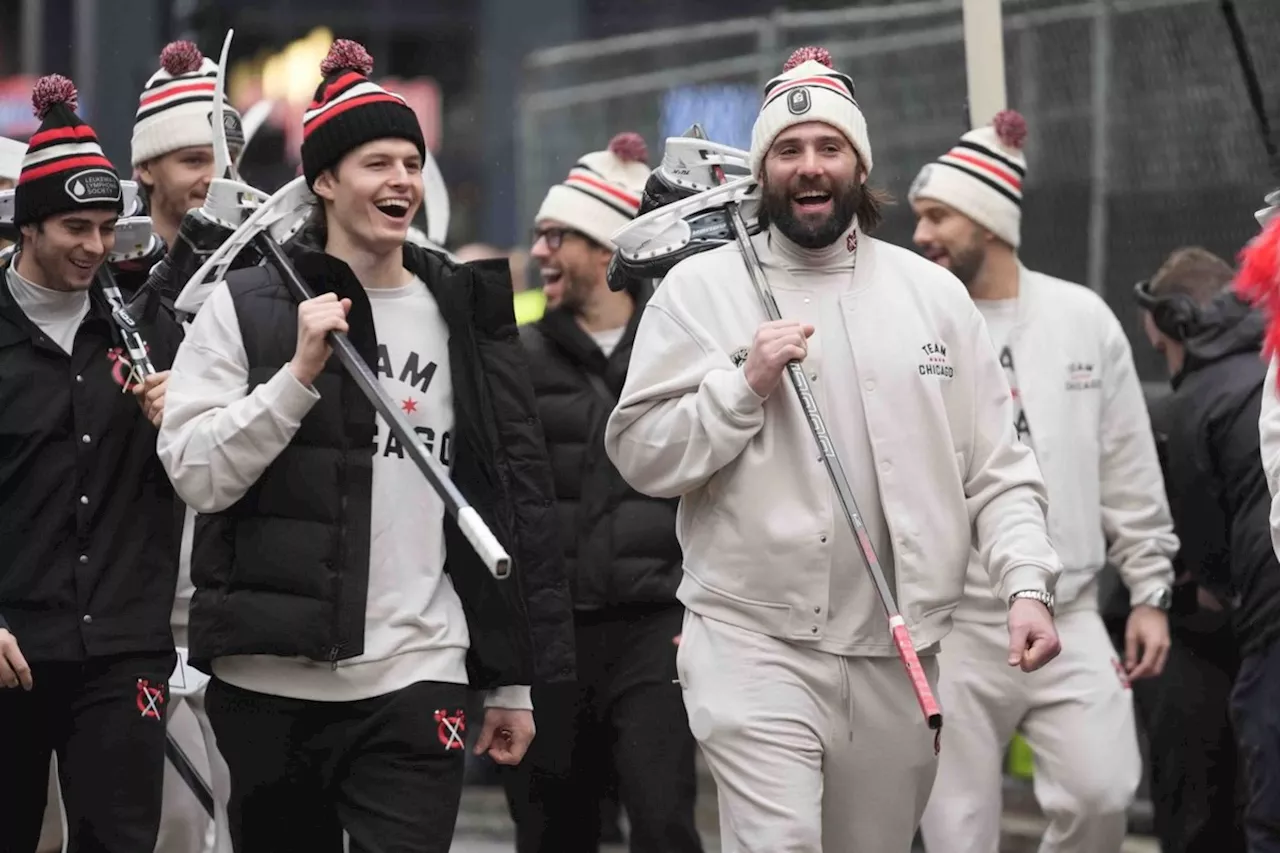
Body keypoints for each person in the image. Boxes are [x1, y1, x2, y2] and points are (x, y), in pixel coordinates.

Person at [604, 46, 1062, 853]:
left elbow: (999, 471)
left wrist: (1027, 582)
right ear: (761, 171)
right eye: (787, 150)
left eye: (828, 147)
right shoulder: (699, 291)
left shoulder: (933, 297)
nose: (808, 167)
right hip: (752, 642)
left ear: (858, 165)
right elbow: (642, 452)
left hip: (900, 648)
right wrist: (740, 386)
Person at [155, 40, 574, 852]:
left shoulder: (464, 308)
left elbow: (506, 494)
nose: (402, 182)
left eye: (412, 162)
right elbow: (196, 472)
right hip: (269, 676)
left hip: (419, 672)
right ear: (323, 181)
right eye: (377, 162)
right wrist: (295, 379)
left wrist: (514, 678)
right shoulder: (246, 307)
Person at [908, 111, 1178, 853]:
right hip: (952, 625)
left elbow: (1126, 464)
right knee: (956, 832)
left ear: (989, 222)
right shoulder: (912, 321)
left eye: (938, 216)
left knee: (1104, 791)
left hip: (1075, 609)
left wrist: (1150, 591)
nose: (920, 233)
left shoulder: (1081, 318)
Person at [0, 73, 184, 853]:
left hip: (123, 648)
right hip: (10, 647)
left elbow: (212, 468)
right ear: (27, 227)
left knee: (119, 837)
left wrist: (190, 419)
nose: (96, 246)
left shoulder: (148, 326)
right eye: (75, 226)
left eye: (109, 226)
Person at [504, 131, 702, 853]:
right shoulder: (517, 358)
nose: (542, 251)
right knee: (554, 829)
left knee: (662, 820)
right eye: (539, 236)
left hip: (655, 629)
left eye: (560, 236)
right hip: (550, 636)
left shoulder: (680, 347)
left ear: (608, 249)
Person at [131, 38, 247, 853]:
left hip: (250, 605)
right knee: (169, 833)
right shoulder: (116, 293)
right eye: (191, 158)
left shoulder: (279, 278)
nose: (212, 173)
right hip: (150, 611)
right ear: (147, 172)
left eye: (223, 155)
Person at [132, 39, 243, 252]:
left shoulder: (264, 267)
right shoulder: (103, 272)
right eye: (194, 160)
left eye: (228, 159)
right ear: (146, 167)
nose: (215, 178)